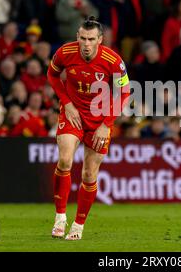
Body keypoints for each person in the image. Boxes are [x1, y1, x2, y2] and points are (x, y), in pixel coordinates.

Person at [47, 16, 130, 240]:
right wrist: (67, 103)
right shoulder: (65, 52)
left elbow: (124, 92)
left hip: (99, 120)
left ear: (100, 40)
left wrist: (107, 124)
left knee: (89, 173)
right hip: (72, 114)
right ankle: (60, 217)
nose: (86, 43)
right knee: (65, 160)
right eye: (82, 38)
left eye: (91, 39)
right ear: (77, 36)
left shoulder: (113, 61)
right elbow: (53, 75)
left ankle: (78, 226)